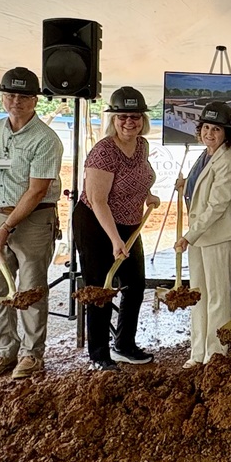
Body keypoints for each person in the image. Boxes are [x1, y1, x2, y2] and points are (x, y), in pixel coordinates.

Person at [0, 67, 63, 380]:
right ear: (3, 97)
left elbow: (37, 190)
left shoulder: (46, 140)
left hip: (33, 220)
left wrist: (6, 228)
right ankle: (4, 351)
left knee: (31, 290)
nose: (15, 101)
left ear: (35, 100)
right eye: (10, 94)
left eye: (23, 96)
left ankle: (32, 355)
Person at [73, 87, 160, 371]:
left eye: (134, 117)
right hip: (96, 225)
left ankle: (124, 345)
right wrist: (114, 239)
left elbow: (138, 177)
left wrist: (147, 195)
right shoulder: (103, 152)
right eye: (122, 117)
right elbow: (97, 200)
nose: (128, 123)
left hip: (129, 223)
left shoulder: (142, 145)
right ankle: (99, 355)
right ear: (113, 119)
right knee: (101, 288)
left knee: (134, 285)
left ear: (142, 119)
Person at [174, 101, 231, 368]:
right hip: (199, 237)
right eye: (206, 127)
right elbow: (200, 196)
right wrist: (184, 187)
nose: (210, 133)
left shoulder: (227, 161)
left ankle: (215, 353)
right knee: (198, 295)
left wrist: (189, 235)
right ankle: (197, 353)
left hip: (217, 237)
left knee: (217, 297)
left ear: (227, 133)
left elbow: (217, 206)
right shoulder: (205, 156)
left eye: (216, 129)